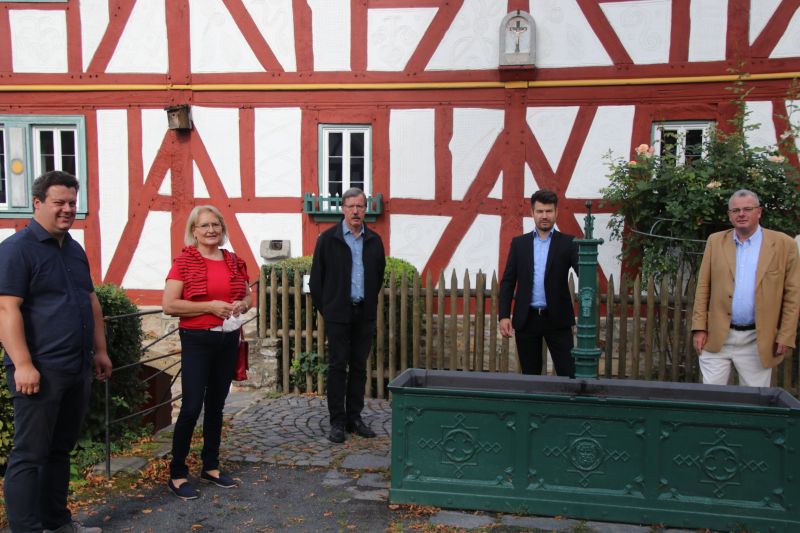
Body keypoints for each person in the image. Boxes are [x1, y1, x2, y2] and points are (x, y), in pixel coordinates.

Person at [0, 171, 112, 533]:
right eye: (59, 202)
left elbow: (90, 301)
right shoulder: (17, 250)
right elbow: (6, 309)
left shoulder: (73, 248)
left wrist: (100, 350)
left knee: (60, 450)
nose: (67, 209)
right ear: (37, 203)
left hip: (75, 366)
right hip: (39, 372)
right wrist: (23, 364)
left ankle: (57, 523)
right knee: (29, 456)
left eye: (72, 203)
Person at [162, 205, 251, 499]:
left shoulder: (233, 261)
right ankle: (177, 473)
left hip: (227, 339)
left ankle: (210, 466)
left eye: (215, 225)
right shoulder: (184, 263)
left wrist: (243, 304)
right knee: (190, 408)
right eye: (204, 226)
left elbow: (248, 295)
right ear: (194, 231)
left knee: (216, 405)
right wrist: (209, 306)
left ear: (222, 229)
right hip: (197, 339)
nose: (211, 230)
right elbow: (170, 305)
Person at [692, 189, 799, 387]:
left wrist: (786, 334)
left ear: (759, 212)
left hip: (757, 339)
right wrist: (699, 328)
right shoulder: (715, 242)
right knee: (710, 401)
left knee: (753, 404)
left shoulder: (784, 244)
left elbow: (793, 295)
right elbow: (703, 287)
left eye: (747, 209)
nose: (741, 214)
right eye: (736, 210)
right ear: (729, 215)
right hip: (717, 337)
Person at [310, 188, 386, 443]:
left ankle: (355, 417)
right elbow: (317, 281)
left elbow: (377, 277)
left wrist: (366, 301)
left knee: (359, 367)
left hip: (363, 313)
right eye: (351, 206)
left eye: (360, 206)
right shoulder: (328, 239)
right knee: (337, 366)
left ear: (366, 209)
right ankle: (337, 422)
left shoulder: (374, 240)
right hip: (338, 314)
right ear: (342, 208)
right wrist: (329, 308)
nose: (356, 211)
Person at [499, 189, 579, 377]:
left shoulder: (568, 243)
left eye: (549, 211)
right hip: (527, 319)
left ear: (556, 212)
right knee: (530, 376)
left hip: (557, 319)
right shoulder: (520, 244)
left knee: (569, 373)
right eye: (540, 211)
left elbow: (584, 274)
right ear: (532, 213)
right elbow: (508, 281)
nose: (544, 216)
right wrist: (503, 315)